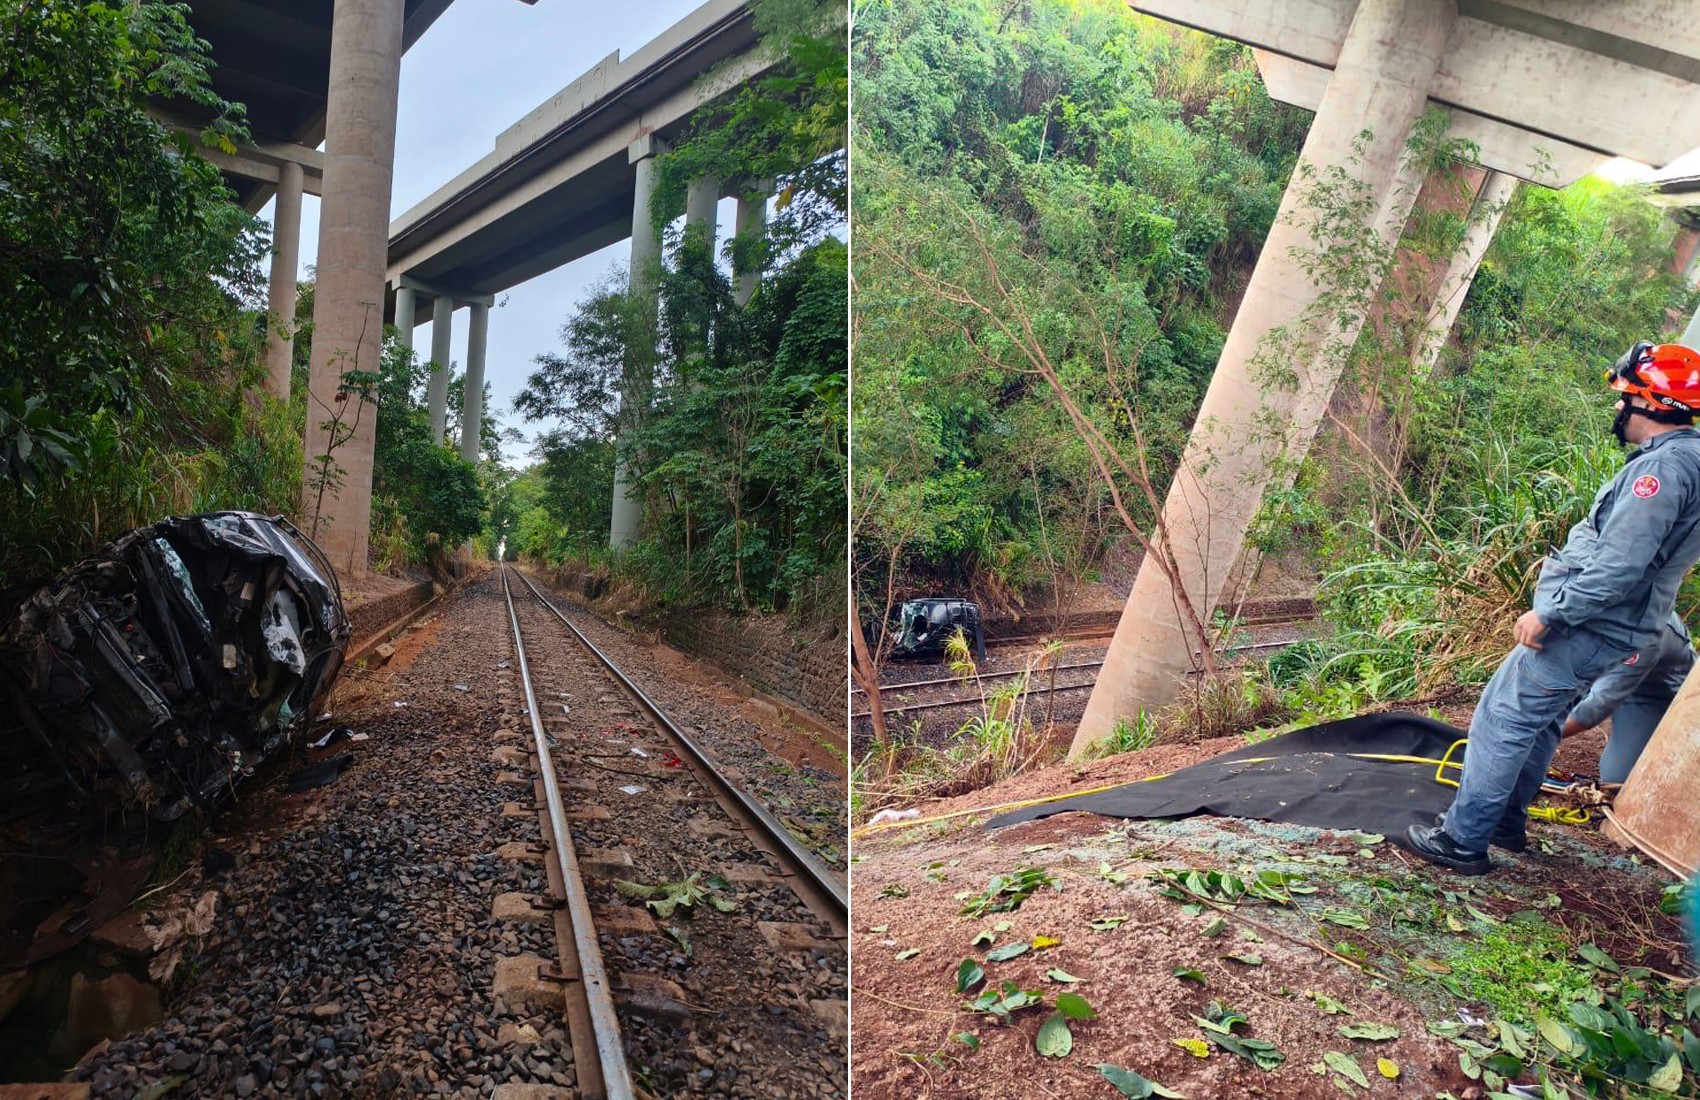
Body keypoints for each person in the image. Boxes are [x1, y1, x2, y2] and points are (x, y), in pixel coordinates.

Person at [1407, 342, 1700, 874]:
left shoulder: (1660, 475)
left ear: (1655, 405)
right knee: (1539, 721)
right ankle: (1503, 824)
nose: (1618, 409)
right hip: (1620, 622)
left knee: (1504, 719)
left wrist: (1553, 612)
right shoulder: (1688, 462)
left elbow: (1619, 566)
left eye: (1626, 398)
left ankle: (1462, 840)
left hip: (1590, 622)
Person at [1561, 611, 1695, 785]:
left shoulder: (1645, 626)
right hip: (1601, 676)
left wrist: (1536, 734)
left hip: (1653, 696)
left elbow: (1596, 706)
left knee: (1620, 779)